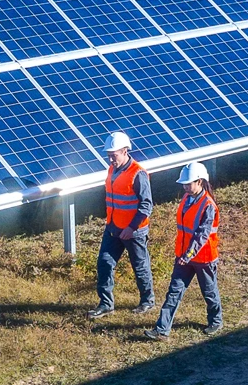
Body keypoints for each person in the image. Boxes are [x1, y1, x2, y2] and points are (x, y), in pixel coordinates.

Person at [145, 161, 223, 340]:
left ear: (200, 182)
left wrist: (188, 255)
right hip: (184, 257)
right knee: (174, 292)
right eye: (184, 184)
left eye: (189, 184)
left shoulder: (208, 206)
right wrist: (184, 255)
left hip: (203, 258)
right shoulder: (187, 199)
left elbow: (202, 235)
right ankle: (162, 330)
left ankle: (216, 321)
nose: (185, 187)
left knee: (209, 292)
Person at [88, 131, 154, 319]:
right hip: (113, 228)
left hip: (134, 232)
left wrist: (131, 228)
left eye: (113, 154)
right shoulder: (112, 169)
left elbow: (146, 206)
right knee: (104, 263)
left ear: (125, 151)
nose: (110, 159)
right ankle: (106, 304)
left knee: (140, 266)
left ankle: (147, 301)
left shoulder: (138, 174)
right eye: (108, 155)